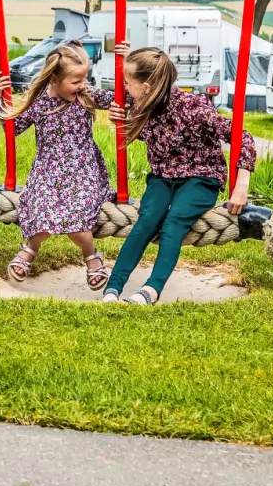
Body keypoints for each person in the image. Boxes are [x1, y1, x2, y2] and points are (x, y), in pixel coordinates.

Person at [100, 44, 255, 306]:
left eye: (127, 83)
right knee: (146, 220)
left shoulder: (194, 108)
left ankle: (150, 291)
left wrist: (242, 184)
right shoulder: (139, 101)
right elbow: (96, 96)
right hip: (162, 177)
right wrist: (116, 113)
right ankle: (112, 288)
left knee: (173, 224)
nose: (124, 89)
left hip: (201, 178)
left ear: (146, 87)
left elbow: (244, 138)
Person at [0, 43, 114, 288]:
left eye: (84, 79)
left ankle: (91, 256)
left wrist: (123, 60)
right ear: (54, 78)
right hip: (48, 170)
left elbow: (123, 98)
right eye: (75, 81)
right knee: (40, 209)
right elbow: (12, 129)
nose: (82, 85)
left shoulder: (86, 95)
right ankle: (30, 249)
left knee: (76, 220)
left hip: (83, 169)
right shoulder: (38, 102)